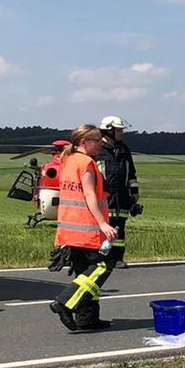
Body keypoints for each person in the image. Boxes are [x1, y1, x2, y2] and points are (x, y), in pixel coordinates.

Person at [49, 124, 120, 331]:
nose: (100, 143)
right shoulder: (86, 163)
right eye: (96, 140)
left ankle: (86, 318)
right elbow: (90, 195)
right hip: (87, 228)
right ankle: (64, 302)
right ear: (83, 142)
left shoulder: (68, 160)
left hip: (69, 229)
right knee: (102, 266)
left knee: (83, 274)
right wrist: (103, 223)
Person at [97, 116, 140, 266]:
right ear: (109, 130)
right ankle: (103, 258)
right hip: (103, 196)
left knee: (119, 228)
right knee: (105, 228)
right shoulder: (98, 149)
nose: (122, 132)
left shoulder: (123, 148)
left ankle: (118, 258)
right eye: (119, 129)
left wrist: (134, 192)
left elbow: (131, 172)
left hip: (122, 196)